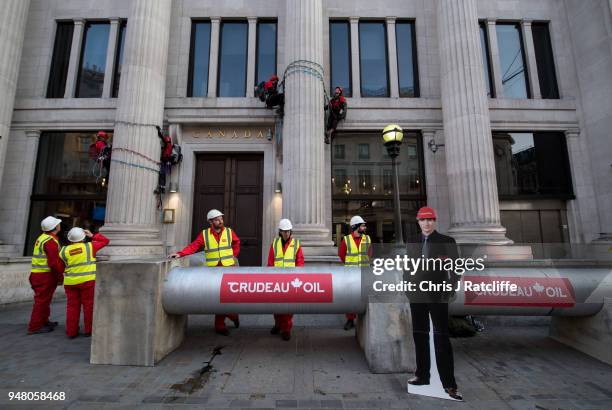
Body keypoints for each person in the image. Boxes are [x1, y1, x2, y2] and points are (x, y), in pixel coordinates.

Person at [405, 206, 462, 401]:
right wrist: (407, 287)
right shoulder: (412, 241)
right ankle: (422, 376)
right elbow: (408, 267)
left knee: (441, 337)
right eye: (423, 220)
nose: (427, 223)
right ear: (418, 221)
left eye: (430, 219)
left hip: (438, 295)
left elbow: (456, 268)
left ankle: (449, 384)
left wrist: (451, 288)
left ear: (435, 221)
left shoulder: (447, 241)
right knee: (419, 335)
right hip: (417, 295)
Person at [169, 209, 241, 336]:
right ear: (210, 222)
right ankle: (222, 323)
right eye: (217, 219)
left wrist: (234, 256)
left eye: (221, 218)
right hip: (213, 271)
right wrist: (180, 254)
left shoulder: (229, 232)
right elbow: (194, 246)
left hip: (229, 268)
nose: (221, 221)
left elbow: (236, 243)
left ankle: (230, 316)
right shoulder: (205, 234)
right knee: (217, 297)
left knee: (227, 297)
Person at [60, 227, 109, 339]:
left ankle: (71, 332)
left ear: (70, 239)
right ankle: (89, 330)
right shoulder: (90, 247)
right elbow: (105, 241)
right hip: (87, 282)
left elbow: (61, 266)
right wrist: (92, 235)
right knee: (89, 306)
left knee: (72, 307)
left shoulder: (63, 251)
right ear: (83, 238)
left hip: (70, 282)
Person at [267, 218, 304, 341]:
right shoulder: (275, 243)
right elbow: (271, 261)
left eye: (288, 231)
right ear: (280, 232)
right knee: (276, 306)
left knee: (288, 307)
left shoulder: (296, 244)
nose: (286, 233)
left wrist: (297, 277)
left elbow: (300, 262)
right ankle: (278, 325)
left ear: (291, 231)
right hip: (277, 279)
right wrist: (270, 276)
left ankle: (286, 329)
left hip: (290, 280)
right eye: (284, 231)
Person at [28, 216, 65, 335]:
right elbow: (54, 263)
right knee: (41, 301)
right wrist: (60, 277)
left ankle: (44, 321)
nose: (60, 225)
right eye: (58, 224)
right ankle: (35, 326)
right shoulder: (50, 241)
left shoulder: (43, 238)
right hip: (45, 276)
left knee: (45, 300)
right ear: (55, 227)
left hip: (39, 275)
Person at [337, 215, 372, 330]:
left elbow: (369, 254)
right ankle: (350, 320)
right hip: (351, 274)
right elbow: (342, 255)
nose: (364, 227)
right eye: (362, 225)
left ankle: (363, 319)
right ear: (356, 227)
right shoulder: (346, 240)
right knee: (350, 298)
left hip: (363, 273)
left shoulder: (367, 239)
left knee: (363, 296)